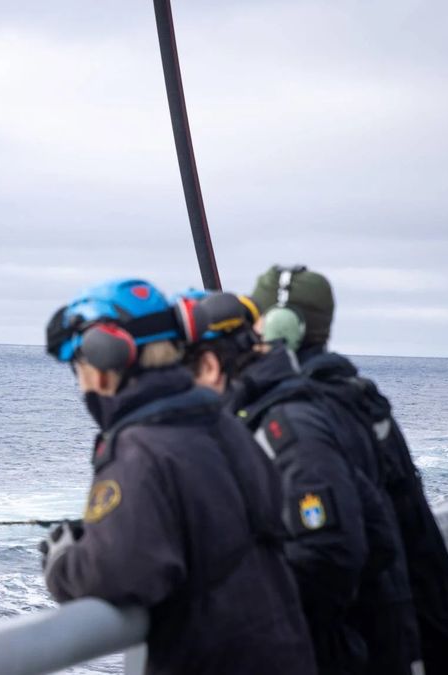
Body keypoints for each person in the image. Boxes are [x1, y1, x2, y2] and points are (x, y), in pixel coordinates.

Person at [40, 278, 315, 675]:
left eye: (79, 370)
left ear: (101, 369)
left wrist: (63, 561)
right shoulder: (223, 424)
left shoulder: (140, 449)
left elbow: (123, 571)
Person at [248, 265, 448, 675]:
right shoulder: (355, 399)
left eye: (255, 318)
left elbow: (327, 552)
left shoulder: (299, 418)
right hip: (412, 629)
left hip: (365, 645)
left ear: (279, 324)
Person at [181, 290, 396, 675]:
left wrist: (237, 612)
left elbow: (330, 552)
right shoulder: (255, 417)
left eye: (185, 372)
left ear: (211, 367)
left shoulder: (285, 427)